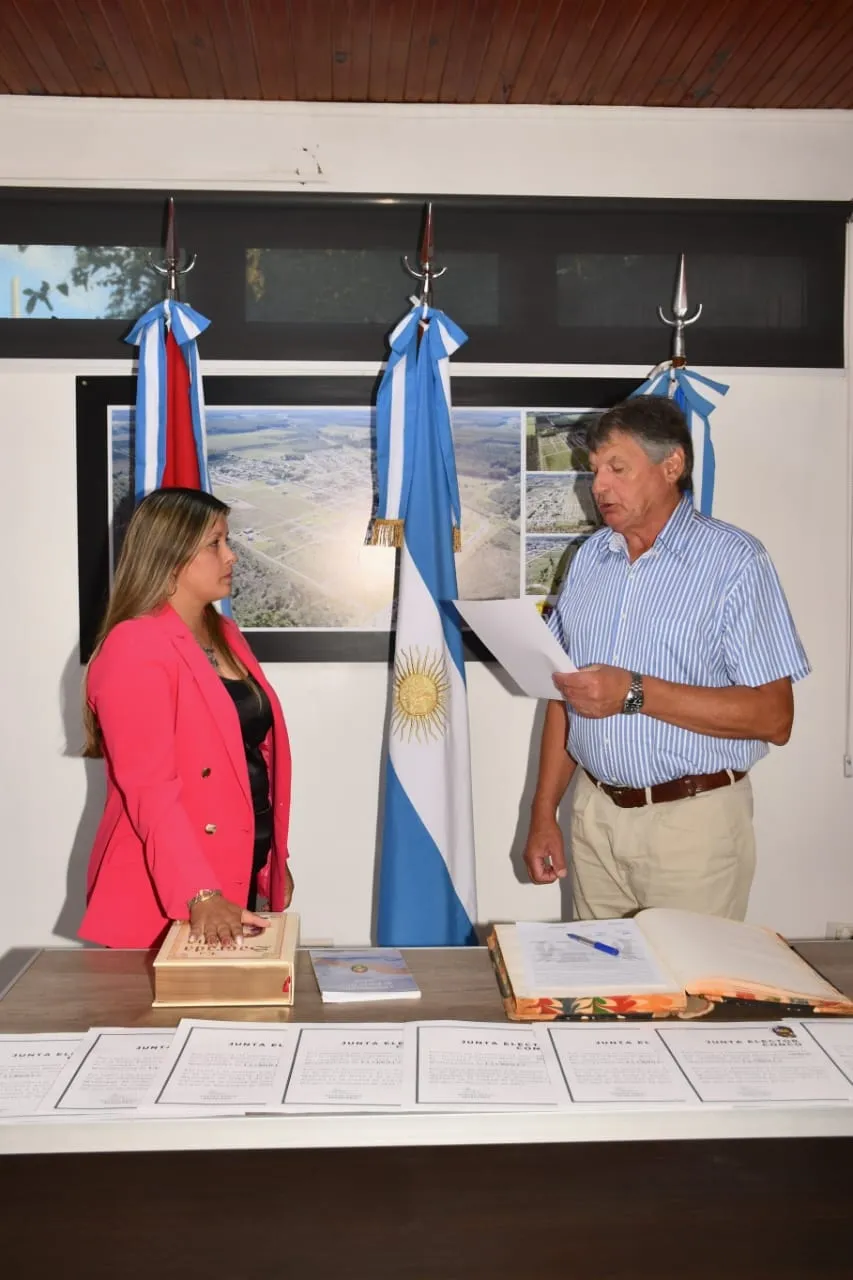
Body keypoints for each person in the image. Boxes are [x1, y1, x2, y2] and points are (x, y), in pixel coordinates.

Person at [523, 396, 809, 921]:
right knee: (602, 976)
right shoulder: (588, 560)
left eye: (617, 469)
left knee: (689, 976)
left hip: (692, 827)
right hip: (593, 819)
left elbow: (775, 718)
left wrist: (634, 692)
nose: (598, 487)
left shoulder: (734, 561)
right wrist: (544, 814)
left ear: (671, 464)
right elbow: (565, 694)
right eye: (594, 470)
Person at [80, 487, 294, 949]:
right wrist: (200, 892)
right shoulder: (134, 645)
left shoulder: (226, 633)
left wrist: (271, 858)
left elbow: (249, 755)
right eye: (215, 543)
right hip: (170, 891)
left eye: (227, 541)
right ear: (171, 554)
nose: (231, 556)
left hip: (236, 873)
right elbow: (150, 789)